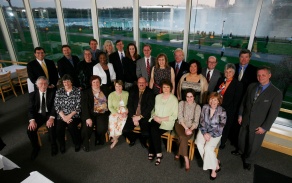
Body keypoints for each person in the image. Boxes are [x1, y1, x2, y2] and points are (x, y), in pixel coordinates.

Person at [237, 66, 282, 171]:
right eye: (258, 75)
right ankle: (242, 153)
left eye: (263, 75)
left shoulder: (276, 93)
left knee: (253, 145)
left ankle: (248, 161)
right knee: (242, 140)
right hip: (245, 120)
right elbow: (244, 102)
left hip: (259, 125)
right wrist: (240, 114)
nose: (260, 77)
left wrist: (265, 127)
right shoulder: (251, 86)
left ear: (269, 75)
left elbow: (273, 113)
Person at [231, 49, 258, 155]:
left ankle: (239, 146)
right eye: (242, 57)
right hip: (233, 99)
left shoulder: (254, 70)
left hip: (245, 101)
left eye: (246, 57)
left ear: (249, 58)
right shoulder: (233, 67)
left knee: (241, 123)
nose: (244, 59)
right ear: (239, 57)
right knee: (233, 120)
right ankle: (232, 139)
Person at [195, 92, 226, 180]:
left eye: (215, 100)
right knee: (199, 144)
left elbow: (221, 127)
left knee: (208, 148)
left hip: (215, 133)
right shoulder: (205, 107)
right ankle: (215, 163)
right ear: (209, 100)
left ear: (219, 101)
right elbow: (201, 122)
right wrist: (204, 133)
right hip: (204, 131)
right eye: (211, 99)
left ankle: (213, 169)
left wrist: (210, 134)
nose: (213, 102)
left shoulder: (222, 111)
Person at [148, 79, 178, 166]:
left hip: (166, 122)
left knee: (153, 130)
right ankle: (158, 153)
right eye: (164, 87)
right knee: (152, 128)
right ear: (161, 88)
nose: (165, 89)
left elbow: (174, 116)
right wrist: (154, 116)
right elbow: (153, 110)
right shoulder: (157, 97)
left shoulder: (174, 99)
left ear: (171, 88)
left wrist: (161, 119)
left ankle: (153, 151)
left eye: (167, 87)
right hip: (156, 119)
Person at [27, 76, 57, 160]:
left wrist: (51, 117)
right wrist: (32, 120)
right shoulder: (32, 95)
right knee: (30, 130)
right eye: (41, 84)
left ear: (48, 84)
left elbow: (55, 107)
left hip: (49, 114)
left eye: (45, 83)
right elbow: (30, 109)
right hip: (38, 115)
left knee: (51, 126)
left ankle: (53, 145)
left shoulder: (53, 92)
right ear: (37, 85)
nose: (43, 86)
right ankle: (35, 147)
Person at [214, 63, 243, 149]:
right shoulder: (221, 80)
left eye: (230, 72)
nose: (228, 73)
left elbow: (237, 100)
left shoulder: (237, 84)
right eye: (226, 71)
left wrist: (232, 112)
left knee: (225, 127)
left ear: (233, 73)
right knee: (216, 124)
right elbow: (216, 93)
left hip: (228, 110)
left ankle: (222, 143)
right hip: (217, 107)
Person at [123, 77, 155, 147]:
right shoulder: (133, 90)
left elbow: (150, 106)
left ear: (146, 84)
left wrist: (140, 117)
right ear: (137, 84)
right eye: (139, 83)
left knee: (146, 133)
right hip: (133, 115)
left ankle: (143, 141)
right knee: (125, 130)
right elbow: (130, 104)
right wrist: (133, 117)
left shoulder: (150, 92)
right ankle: (133, 138)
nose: (141, 84)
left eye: (143, 83)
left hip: (144, 116)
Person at [81, 75, 110, 152]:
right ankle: (85, 143)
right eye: (94, 82)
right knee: (86, 128)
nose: (96, 83)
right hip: (90, 114)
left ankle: (98, 138)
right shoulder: (86, 92)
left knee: (102, 128)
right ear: (91, 83)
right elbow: (84, 107)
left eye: (97, 82)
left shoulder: (105, 90)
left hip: (102, 113)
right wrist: (87, 118)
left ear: (100, 82)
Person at [174, 89, 201, 171]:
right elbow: (180, 117)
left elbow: (196, 122)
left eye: (191, 97)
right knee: (183, 136)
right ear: (185, 97)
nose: (189, 99)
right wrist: (186, 128)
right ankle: (186, 158)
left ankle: (179, 153)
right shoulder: (182, 103)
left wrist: (190, 129)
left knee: (183, 137)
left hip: (191, 127)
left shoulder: (197, 107)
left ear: (194, 97)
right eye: (187, 97)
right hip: (180, 125)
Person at [54, 75, 81, 153]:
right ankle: (62, 145)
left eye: (68, 81)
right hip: (62, 116)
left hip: (74, 115)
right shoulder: (59, 91)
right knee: (59, 128)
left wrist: (69, 116)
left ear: (71, 82)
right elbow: (57, 105)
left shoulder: (77, 91)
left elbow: (78, 106)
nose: (66, 83)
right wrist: (64, 117)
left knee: (71, 126)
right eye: (64, 82)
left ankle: (77, 143)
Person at [108, 80, 129, 149]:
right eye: (116, 86)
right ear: (114, 87)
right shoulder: (111, 95)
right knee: (112, 121)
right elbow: (110, 107)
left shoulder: (126, 93)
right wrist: (117, 114)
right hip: (115, 111)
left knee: (121, 123)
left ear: (122, 86)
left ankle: (115, 139)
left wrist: (126, 112)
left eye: (119, 86)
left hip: (124, 111)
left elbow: (130, 105)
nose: (118, 88)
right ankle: (115, 138)